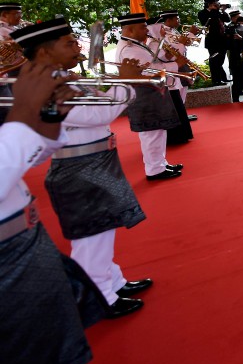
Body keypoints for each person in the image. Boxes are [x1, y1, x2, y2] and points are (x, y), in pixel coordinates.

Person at [12, 19, 151, 319]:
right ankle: (99, 297)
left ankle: (113, 282)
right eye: (69, 43)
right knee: (90, 237)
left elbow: (100, 104)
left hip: (95, 161)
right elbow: (99, 115)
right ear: (46, 53)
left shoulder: (62, 77)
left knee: (104, 228)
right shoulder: (46, 86)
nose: (78, 47)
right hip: (78, 167)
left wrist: (118, 84)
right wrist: (126, 81)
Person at [0, 61, 109, 364]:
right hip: (8, 259)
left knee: (38, 356)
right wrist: (21, 115)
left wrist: (48, 114)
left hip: (23, 243)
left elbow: (31, 154)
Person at [115, 13, 183, 180]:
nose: (146, 30)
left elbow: (154, 64)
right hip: (145, 94)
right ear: (130, 30)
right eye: (142, 27)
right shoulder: (130, 49)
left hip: (150, 92)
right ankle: (154, 170)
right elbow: (152, 71)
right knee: (152, 133)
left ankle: (160, 164)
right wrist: (177, 64)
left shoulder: (135, 45)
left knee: (157, 131)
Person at [152, 11, 195, 140]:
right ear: (169, 20)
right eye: (177, 18)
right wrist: (179, 45)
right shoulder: (155, 40)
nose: (179, 21)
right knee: (176, 103)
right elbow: (167, 55)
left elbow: (169, 52)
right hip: (170, 72)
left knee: (179, 100)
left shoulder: (171, 32)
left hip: (174, 69)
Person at [198, 0, 229, 85]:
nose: (216, 5)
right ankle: (216, 80)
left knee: (221, 60)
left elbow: (227, 19)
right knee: (215, 61)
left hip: (222, 40)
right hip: (212, 41)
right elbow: (207, 22)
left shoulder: (218, 12)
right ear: (209, 4)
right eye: (214, 3)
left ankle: (222, 78)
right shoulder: (202, 13)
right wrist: (214, 10)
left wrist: (223, 10)